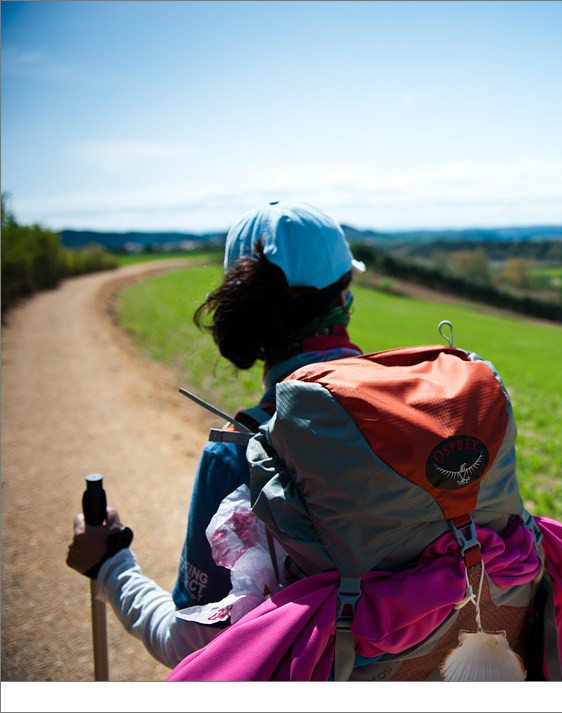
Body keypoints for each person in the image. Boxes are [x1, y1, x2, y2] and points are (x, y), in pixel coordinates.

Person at [65, 200, 367, 668]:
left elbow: (193, 647)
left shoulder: (240, 450)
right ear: (345, 296)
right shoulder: (416, 417)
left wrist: (109, 564)